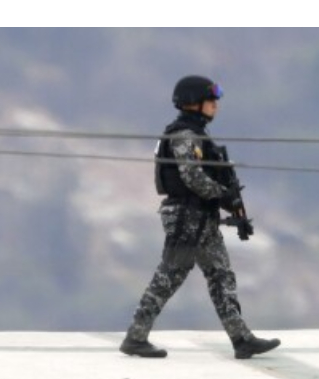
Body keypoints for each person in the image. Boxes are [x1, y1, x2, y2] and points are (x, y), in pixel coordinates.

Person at [119, 75, 281, 361]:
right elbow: (192, 176)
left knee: (220, 275)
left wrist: (227, 201)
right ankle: (135, 336)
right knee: (171, 275)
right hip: (187, 216)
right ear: (194, 103)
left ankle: (241, 339)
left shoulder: (196, 135)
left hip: (200, 217)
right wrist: (223, 196)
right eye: (211, 100)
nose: (215, 106)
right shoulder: (184, 135)